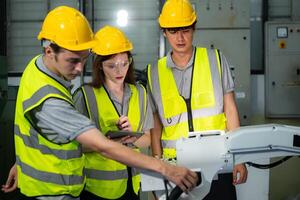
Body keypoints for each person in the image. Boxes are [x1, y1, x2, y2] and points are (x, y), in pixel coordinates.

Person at [1, 6, 198, 200]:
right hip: (54, 191)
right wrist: (167, 169)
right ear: (49, 51)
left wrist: (22, 162)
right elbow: (103, 146)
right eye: (72, 60)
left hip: (83, 186)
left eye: (84, 59)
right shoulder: (53, 101)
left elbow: (34, 133)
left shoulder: (36, 67)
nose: (79, 69)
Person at [147, 0, 248, 199]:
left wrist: (239, 157)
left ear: (194, 29)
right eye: (173, 31)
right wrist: (158, 165)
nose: (180, 37)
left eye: (185, 30)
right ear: (164, 32)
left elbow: (230, 109)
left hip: (218, 161)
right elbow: (156, 125)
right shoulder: (154, 72)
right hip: (176, 168)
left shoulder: (216, 59)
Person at [73, 25, 152, 200]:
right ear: (99, 65)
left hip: (132, 185)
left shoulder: (140, 93)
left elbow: (147, 138)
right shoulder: (85, 96)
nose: (119, 71)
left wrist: (133, 138)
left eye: (124, 64)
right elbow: (73, 145)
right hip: (97, 189)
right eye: (112, 65)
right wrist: (104, 141)